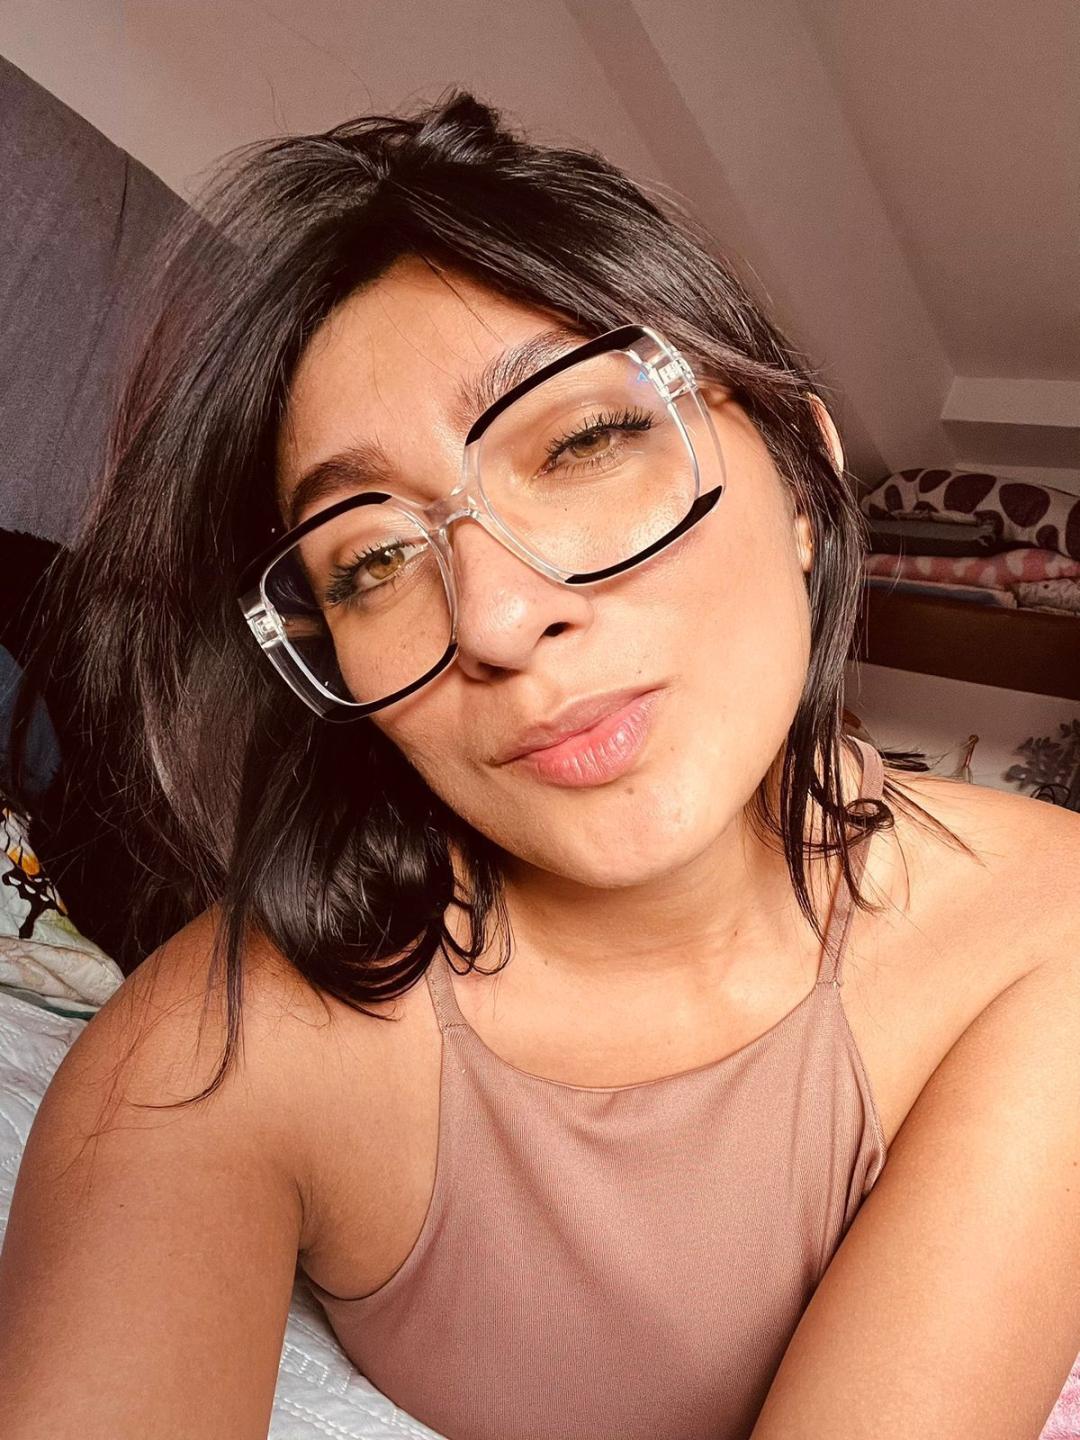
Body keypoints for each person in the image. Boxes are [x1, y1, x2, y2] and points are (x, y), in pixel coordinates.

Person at [1, 89, 1077, 1440]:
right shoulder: (214, 1059)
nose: (499, 619)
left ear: (805, 476)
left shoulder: (1047, 924)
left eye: (580, 443)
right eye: (372, 560)